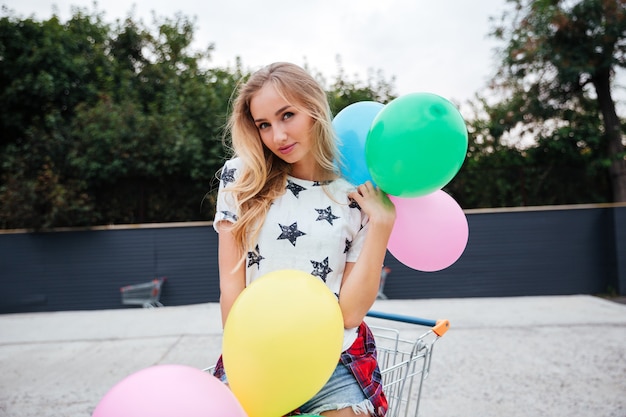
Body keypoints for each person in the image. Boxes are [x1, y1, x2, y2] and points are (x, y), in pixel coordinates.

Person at [211, 62, 396, 417]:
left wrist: (381, 224)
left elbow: (350, 312)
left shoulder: (353, 194)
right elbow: (230, 288)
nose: (277, 136)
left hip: (333, 357)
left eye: (287, 115)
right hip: (256, 353)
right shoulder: (242, 178)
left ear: (314, 110)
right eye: (264, 124)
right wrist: (249, 360)